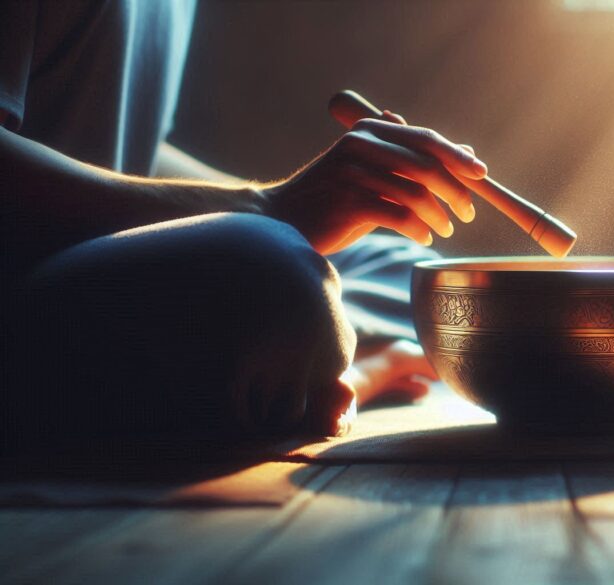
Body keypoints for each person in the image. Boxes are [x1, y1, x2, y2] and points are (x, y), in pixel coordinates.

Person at [0, 1, 486, 449]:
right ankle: (335, 371)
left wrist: (313, 202)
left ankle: (309, 372)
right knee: (270, 272)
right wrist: (263, 206)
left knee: (425, 278)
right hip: (27, 291)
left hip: (122, 261)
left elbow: (130, 152)